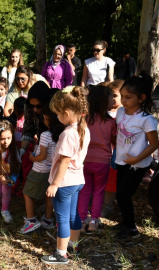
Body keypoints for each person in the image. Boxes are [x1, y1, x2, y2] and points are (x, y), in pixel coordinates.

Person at [41, 86, 90, 265]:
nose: (57, 118)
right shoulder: (84, 128)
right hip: (77, 180)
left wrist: (54, 184)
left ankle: (61, 254)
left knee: (61, 218)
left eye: (58, 114)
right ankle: (73, 245)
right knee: (72, 214)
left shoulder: (68, 134)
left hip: (64, 182)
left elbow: (64, 161)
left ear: (67, 113)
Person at [114, 72, 159, 240]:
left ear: (141, 98)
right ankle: (127, 221)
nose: (124, 100)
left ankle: (132, 229)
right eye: (122, 96)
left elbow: (154, 144)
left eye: (128, 97)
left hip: (138, 164)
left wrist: (136, 159)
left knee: (123, 195)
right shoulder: (120, 112)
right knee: (121, 193)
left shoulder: (147, 120)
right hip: (121, 160)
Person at [78, 85, 116, 232]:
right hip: (103, 161)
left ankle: (81, 220)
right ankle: (94, 220)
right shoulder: (111, 122)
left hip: (85, 160)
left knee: (85, 191)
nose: (113, 100)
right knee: (99, 191)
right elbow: (113, 141)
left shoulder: (84, 119)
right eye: (111, 98)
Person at [20, 105, 63, 234]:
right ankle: (48, 220)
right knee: (48, 197)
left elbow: (42, 156)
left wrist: (32, 158)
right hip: (52, 171)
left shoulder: (45, 135)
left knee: (27, 193)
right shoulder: (61, 134)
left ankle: (31, 220)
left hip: (39, 170)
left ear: (47, 118)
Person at [0, 120, 21, 223]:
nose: (6, 141)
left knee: (6, 191)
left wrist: (14, 175)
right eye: (2, 139)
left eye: (8, 138)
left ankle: (5, 209)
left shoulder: (13, 149)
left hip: (8, 175)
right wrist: (0, 175)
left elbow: (18, 163)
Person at [102, 80, 124, 217]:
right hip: (102, 152)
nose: (111, 99)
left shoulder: (123, 113)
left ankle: (106, 205)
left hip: (116, 153)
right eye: (109, 95)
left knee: (111, 180)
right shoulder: (104, 112)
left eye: (115, 95)